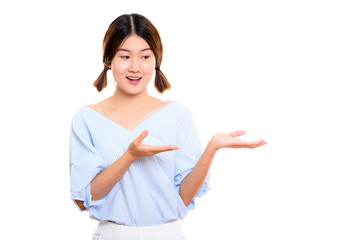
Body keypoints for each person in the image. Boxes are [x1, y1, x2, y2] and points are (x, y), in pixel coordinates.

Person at [69, 13, 267, 240]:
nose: (135, 67)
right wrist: (130, 156)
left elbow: (182, 198)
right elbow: (83, 199)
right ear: (108, 60)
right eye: (124, 56)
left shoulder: (176, 115)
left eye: (145, 57)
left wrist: (212, 148)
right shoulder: (87, 119)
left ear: (156, 60)